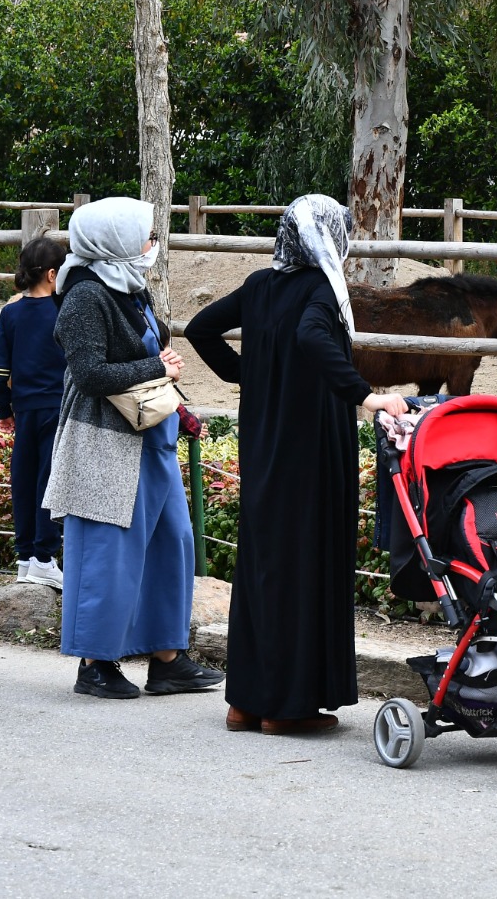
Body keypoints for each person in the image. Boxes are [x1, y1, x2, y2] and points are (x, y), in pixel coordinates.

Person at [186, 194, 408, 735]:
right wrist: (367, 395)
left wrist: (248, 373)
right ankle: (287, 708)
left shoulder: (259, 285)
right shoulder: (320, 289)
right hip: (310, 444)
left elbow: (199, 329)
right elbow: (310, 336)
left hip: (263, 439)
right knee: (305, 561)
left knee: (264, 562)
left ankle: (246, 702)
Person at [43, 196, 225, 700]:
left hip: (150, 439)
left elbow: (147, 351)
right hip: (105, 442)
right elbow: (89, 374)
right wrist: (157, 367)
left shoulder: (129, 285)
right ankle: (95, 663)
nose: (151, 244)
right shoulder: (84, 295)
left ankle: (168, 659)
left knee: (172, 542)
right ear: (115, 240)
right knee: (108, 552)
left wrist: (176, 404)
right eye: (145, 236)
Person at [0, 237, 68, 590]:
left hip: (23, 409)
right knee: (49, 482)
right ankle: (44, 558)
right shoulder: (64, 309)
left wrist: (4, 409)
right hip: (58, 408)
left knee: (23, 479)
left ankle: (24, 558)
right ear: (52, 274)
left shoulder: (10, 313)